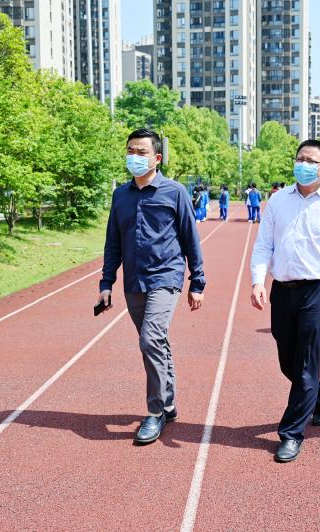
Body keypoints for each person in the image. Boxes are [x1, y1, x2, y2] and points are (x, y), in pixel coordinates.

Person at [250, 139, 320, 463]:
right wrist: (258, 281)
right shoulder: (278, 201)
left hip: (317, 289)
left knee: (305, 363)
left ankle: (291, 434)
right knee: (287, 360)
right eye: (299, 158)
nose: (302, 164)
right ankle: (319, 391)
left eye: (310, 161)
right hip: (283, 289)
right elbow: (263, 245)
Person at [98, 128, 206, 445]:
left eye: (141, 151)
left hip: (166, 277)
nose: (134, 156)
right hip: (134, 280)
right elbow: (112, 242)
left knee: (150, 338)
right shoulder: (120, 195)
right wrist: (106, 282)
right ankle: (169, 403)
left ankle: (155, 411)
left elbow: (190, 238)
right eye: (130, 150)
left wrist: (197, 282)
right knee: (155, 343)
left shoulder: (175, 192)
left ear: (157, 158)